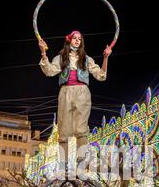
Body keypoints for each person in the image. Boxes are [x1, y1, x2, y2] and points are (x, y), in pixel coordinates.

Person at [38, 31, 112, 166]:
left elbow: (101, 75)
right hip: (65, 91)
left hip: (82, 93)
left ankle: (81, 161)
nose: (77, 41)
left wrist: (106, 58)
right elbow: (49, 71)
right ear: (69, 40)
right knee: (63, 129)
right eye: (74, 38)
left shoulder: (86, 59)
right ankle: (63, 163)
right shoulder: (61, 58)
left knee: (81, 129)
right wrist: (43, 53)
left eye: (79, 39)